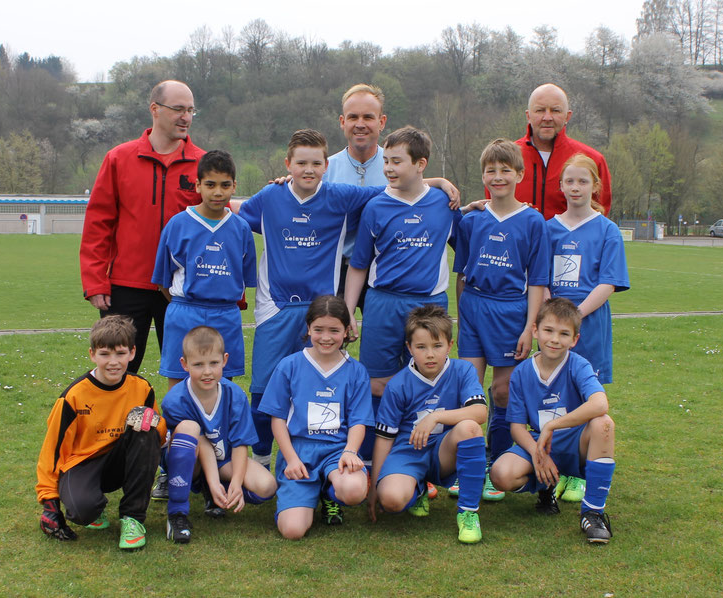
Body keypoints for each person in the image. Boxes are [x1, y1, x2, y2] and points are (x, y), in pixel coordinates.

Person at [235, 129, 458, 470]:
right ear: (287, 164)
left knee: (324, 386)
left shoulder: (340, 196)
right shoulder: (269, 196)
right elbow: (234, 211)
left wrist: (438, 181)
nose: (308, 170)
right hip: (274, 307)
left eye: (315, 163)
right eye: (300, 163)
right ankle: (263, 458)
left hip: (322, 310)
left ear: (327, 165)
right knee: (265, 388)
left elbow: (396, 187)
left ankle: (337, 457)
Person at [344, 126, 463, 476]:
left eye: (397, 161)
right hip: (383, 303)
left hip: (430, 304)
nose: (389, 168)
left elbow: (466, 245)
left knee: (428, 380)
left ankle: (426, 463)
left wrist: (474, 204)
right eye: (386, 161)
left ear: (420, 163)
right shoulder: (376, 206)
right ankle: (369, 463)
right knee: (377, 382)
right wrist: (350, 311)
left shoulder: (445, 202)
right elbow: (359, 266)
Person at [80, 80, 204, 374]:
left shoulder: (203, 163)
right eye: (178, 109)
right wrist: (95, 281)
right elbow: (98, 223)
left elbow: (221, 219)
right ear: (155, 110)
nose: (185, 117)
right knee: (117, 368)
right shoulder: (119, 158)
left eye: (190, 110)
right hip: (125, 287)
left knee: (188, 371)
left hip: (180, 289)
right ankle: (114, 422)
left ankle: (184, 423)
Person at [453, 138, 550, 501]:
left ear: (520, 174)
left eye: (505, 170)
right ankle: (468, 469)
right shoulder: (472, 219)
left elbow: (538, 279)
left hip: (511, 311)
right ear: (483, 176)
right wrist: (463, 315)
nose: (498, 177)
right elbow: (460, 273)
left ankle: (498, 461)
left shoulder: (533, 221)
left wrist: (530, 327)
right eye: (491, 171)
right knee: (469, 392)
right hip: (474, 308)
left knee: (503, 391)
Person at [489, 298, 617, 544]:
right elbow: (516, 427)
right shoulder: (522, 373)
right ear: (535, 330)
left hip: (575, 441)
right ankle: (545, 486)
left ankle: (592, 513)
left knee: (603, 423)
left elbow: (600, 403)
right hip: (541, 442)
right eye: (548, 330)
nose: (555, 339)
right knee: (500, 474)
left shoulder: (578, 365)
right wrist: (538, 452)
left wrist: (552, 425)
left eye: (564, 333)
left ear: (575, 339)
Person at [35, 315, 167, 550]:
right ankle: (94, 506)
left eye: (120, 353)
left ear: (132, 353)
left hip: (120, 460)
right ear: (92, 354)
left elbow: (158, 434)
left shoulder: (142, 388)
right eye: (105, 354)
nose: (113, 362)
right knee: (81, 511)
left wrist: (158, 427)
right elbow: (52, 450)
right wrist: (49, 502)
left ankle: (133, 518)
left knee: (146, 431)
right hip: (84, 462)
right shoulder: (73, 396)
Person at [545, 154, 629, 504]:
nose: (575, 187)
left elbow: (608, 281)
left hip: (588, 325)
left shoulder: (607, 230)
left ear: (595, 186)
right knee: (554, 395)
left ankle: (580, 471)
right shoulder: (548, 227)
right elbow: (539, 278)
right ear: (561, 186)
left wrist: (573, 316)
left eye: (583, 181)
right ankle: (557, 465)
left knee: (586, 397)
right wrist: (553, 317)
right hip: (552, 326)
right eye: (569, 181)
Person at [258, 296, 374, 539]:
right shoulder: (289, 366)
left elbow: (359, 421)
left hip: (337, 451)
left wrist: (350, 451)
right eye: (318, 329)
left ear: (346, 331)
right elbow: (277, 418)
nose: (326, 337)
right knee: (292, 531)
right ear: (308, 327)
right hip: (300, 453)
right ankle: (310, 492)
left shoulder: (356, 371)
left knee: (353, 491)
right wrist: (290, 459)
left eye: (334, 330)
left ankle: (330, 491)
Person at [370, 305, 488, 544]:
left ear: (450, 345)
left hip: (443, 452)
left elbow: (480, 412)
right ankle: (418, 487)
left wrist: (434, 417)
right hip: (409, 453)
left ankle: (468, 512)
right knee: (391, 500)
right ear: (409, 348)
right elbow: (384, 439)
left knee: (470, 428)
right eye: (421, 347)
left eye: (437, 346)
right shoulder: (398, 384)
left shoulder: (463, 370)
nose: (430, 354)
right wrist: (374, 489)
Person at [160, 326, 276, 544]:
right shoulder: (175, 399)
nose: (207, 372)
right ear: (184, 364)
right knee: (189, 428)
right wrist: (213, 481)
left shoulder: (235, 395)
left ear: (224, 360)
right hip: (191, 461)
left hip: (223, 460)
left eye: (213, 363)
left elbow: (241, 443)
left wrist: (237, 483)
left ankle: (223, 493)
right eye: (198, 364)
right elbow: (201, 444)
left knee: (267, 486)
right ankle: (177, 514)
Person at [152, 150, 257, 389]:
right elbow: (162, 282)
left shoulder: (241, 229)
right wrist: (186, 304)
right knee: (179, 381)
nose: (218, 192)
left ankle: (219, 427)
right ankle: (177, 427)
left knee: (223, 383)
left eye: (224, 185)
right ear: (198, 185)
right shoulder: (177, 224)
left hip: (225, 315)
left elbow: (244, 281)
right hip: (185, 312)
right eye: (210, 184)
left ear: (234, 186)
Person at [323, 83, 388, 305]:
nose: (360, 124)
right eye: (353, 117)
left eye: (368, 117)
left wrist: (440, 183)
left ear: (382, 122)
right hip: (334, 270)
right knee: (327, 338)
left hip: (383, 270)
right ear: (343, 122)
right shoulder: (324, 169)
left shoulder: (397, 166)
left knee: (383, 340)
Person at [514, 83, 611, 219]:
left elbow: (600, 214)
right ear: (528, 115)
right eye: (540, 110)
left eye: (555, 111)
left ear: (567, 116)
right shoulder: (507, 158)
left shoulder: (592, 160)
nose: (547, 117)